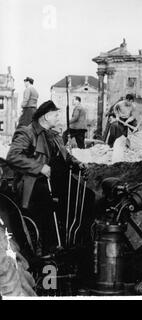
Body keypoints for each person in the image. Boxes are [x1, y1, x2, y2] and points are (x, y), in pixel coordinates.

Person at [6, 100, 87, 253]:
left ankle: (77, 242)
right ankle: (50, 248)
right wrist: (39, 167)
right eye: (56, 115)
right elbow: (13, 157)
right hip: (32, 183)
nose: (58, 118)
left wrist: (77, 163)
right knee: (45, 198)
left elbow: (65, 156)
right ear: (45, 117)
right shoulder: (27, 132)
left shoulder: (54, 135)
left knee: (85, 195)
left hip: (54, 181)